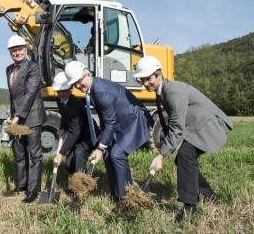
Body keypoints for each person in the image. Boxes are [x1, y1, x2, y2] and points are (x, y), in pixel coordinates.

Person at [134, 56, 233, 222]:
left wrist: (162, 155)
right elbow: (171, 121)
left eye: (148, 78)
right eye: (142, 80)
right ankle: (210, 196)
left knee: (186, 155)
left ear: (159, 74)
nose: (145, 83)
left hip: (207, 125)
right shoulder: (163, 91)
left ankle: (190, 207)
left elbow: (177, 128)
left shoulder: (172, 92)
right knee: (184, 159)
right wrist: (164, 146)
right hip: (196, 126)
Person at [64, 60, 151, 210]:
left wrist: (99, 148)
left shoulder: (100, 90)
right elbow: (106, 119)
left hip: (133, 120)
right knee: (109, 154)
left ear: (88, 75)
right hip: (119, 122)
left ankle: (128, 197)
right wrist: (103, 145)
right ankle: (117, 195)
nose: (78, 86)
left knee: (116, 154)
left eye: (79, 81)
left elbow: (109, 123)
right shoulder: (93, 88)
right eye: (75, 84)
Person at [6, 34, 45, 203]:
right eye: (13, 50)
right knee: (19, 152)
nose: (17, 52)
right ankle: (22, 184)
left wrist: (17, 116)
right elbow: (14, 95)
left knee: (35, 154)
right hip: (17, 117)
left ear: (25, 49)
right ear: (10, 52)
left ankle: (33, 190)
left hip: (32, 117)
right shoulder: (9, 69)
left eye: (20, 49)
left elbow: (29, 94)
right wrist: (12, 113)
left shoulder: (33, 67)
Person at [51, 72, 96, 174]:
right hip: (77, 135)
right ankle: (81, 177)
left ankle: (80, 186)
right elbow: (64, 115)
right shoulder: (59, 100)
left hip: (88, 136)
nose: (61, 94)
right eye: (59, 91)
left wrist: (61, 153)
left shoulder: (75, 105)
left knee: (79, 153)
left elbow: (74, 132)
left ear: (71, 89)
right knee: (69, 165)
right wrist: (62, 128)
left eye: (64, 91)